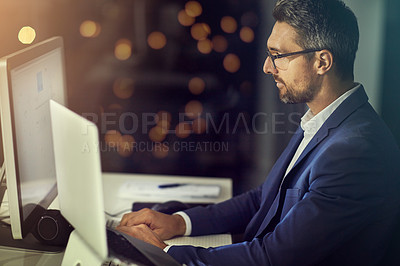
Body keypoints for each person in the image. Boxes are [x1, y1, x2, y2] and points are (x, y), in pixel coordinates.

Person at [116, 0, 400, 265]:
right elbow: (264, 199)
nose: (267, 67)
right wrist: (179, 222)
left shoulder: (355, 150)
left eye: (278, 56)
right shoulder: (325, 120)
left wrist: (166, 254)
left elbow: (274, 258)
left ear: (322, 62)